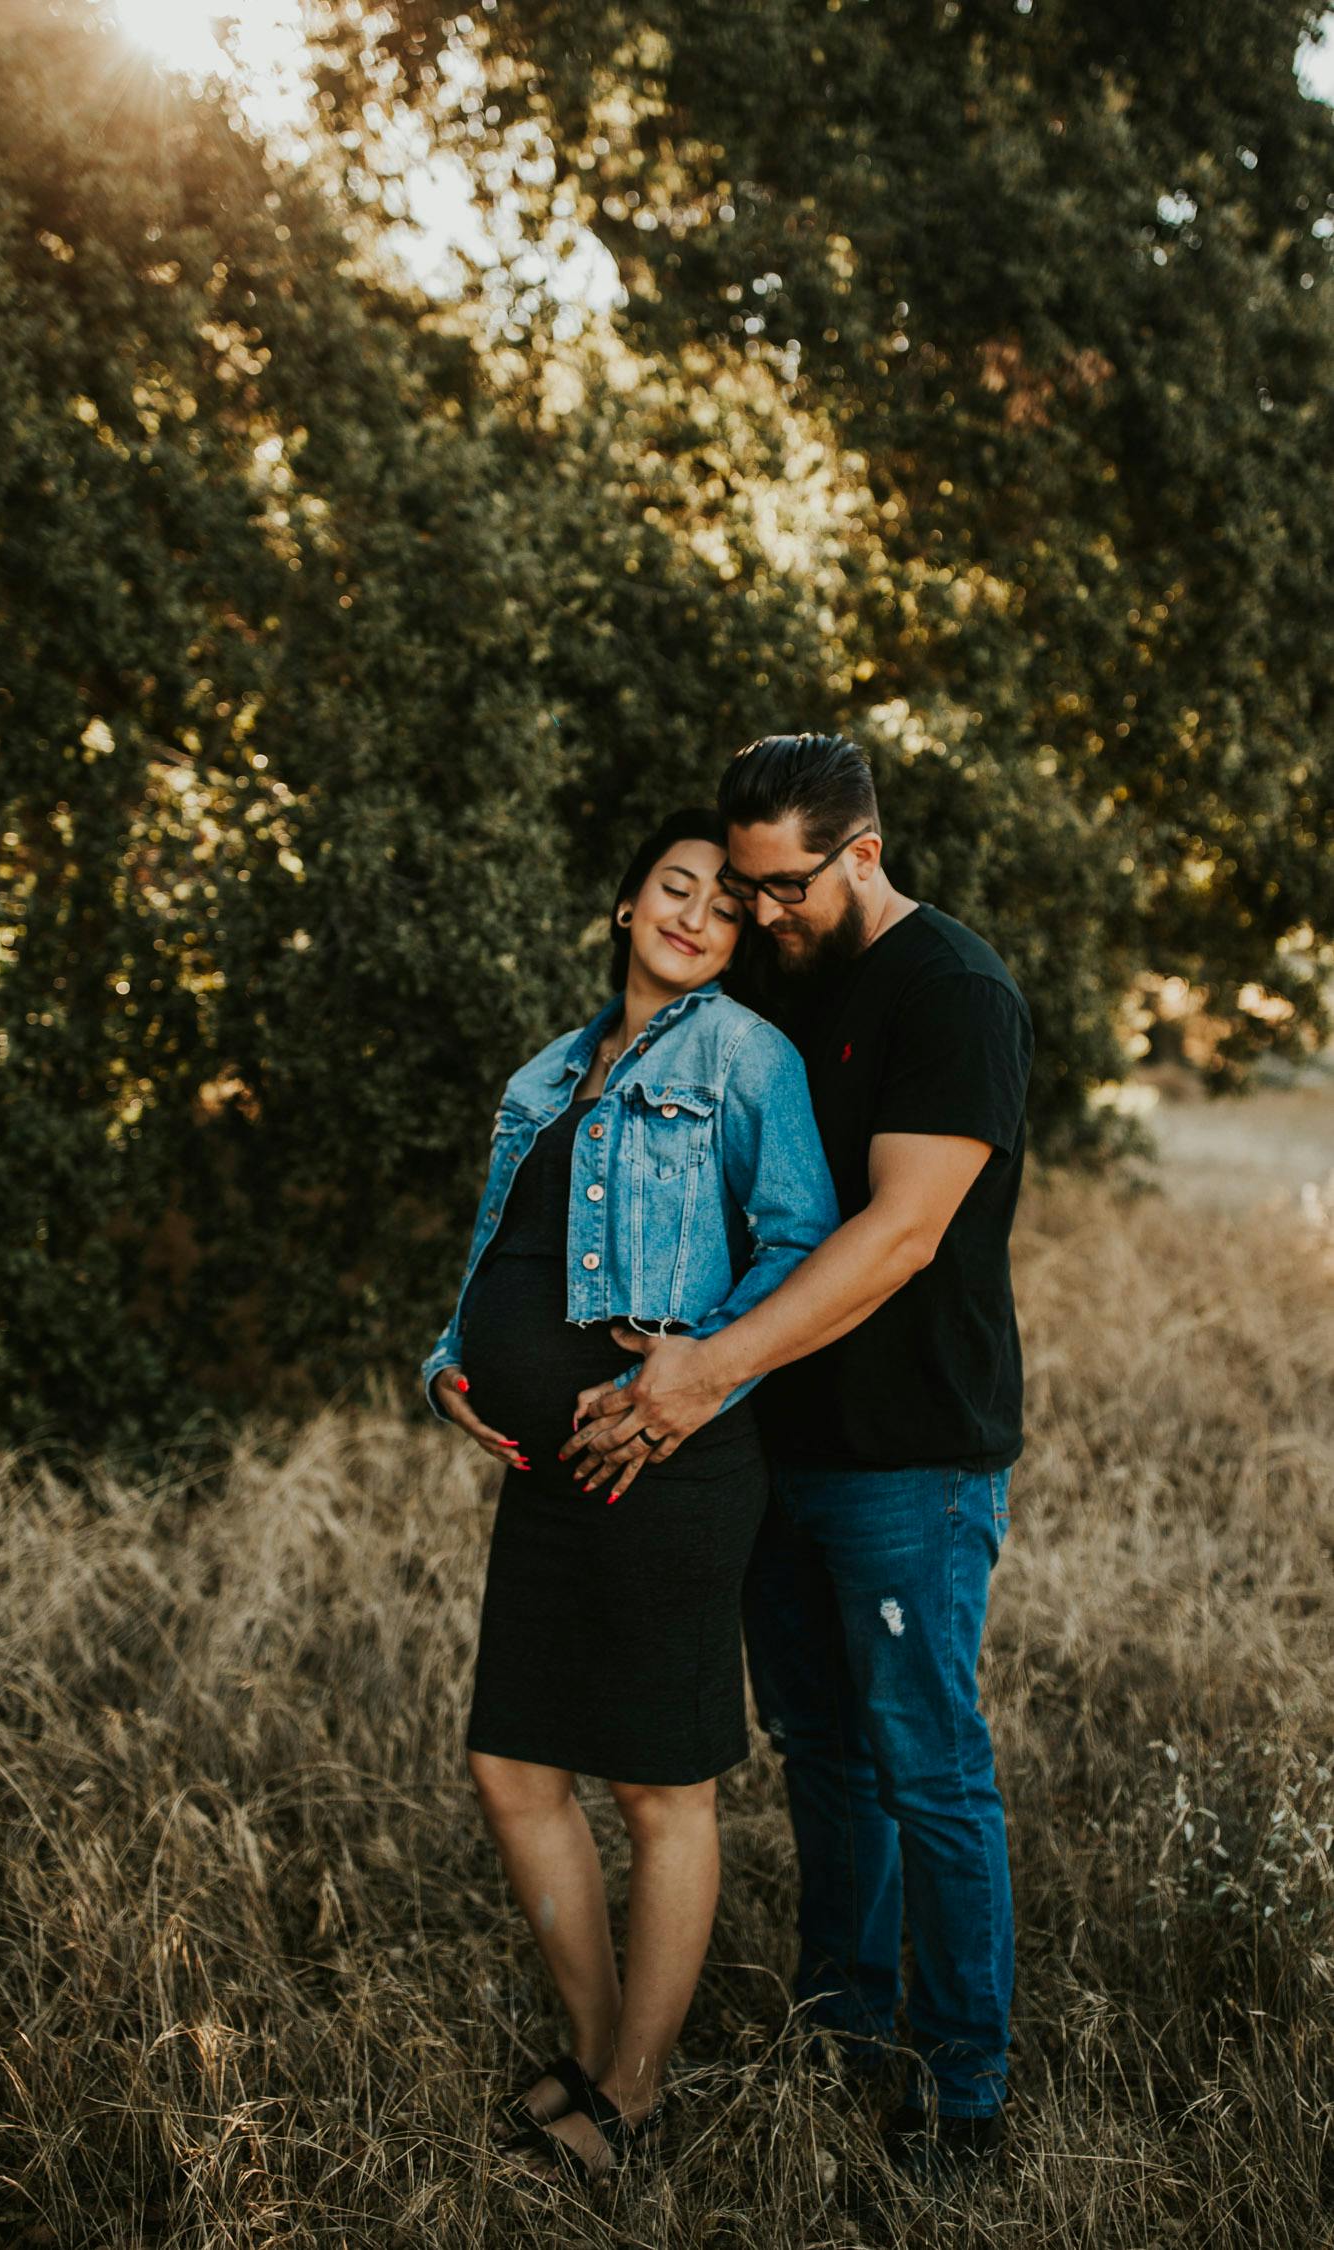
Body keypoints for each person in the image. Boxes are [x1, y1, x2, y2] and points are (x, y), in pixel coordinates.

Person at [561, 734, 1033, 2184]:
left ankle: (962, 2090)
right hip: (778, 1443)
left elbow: (898, 1235)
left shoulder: (952, 992)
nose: (758, 914)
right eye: (744, 887)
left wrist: (707, 1369)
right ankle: (843, 2025)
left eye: (785, 887)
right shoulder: (776, 978)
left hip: (910, 1452)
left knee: (925, 1761)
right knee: (821, 1749)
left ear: (864, 854)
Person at [420, 807, 839, 2186]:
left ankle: (635, 2099)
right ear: (624, 903)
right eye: (674, 886)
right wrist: (450, 1363)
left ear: (740, 940)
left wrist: (690, 1373)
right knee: (512, 1765)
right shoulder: (548, 1070)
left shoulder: (747, 1056)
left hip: (668, 1462)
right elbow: (502, 1246)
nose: (695, 915)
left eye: (724, 905)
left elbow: (801, 1243)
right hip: (546, 1470)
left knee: (661, 1788)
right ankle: (602, 2051)